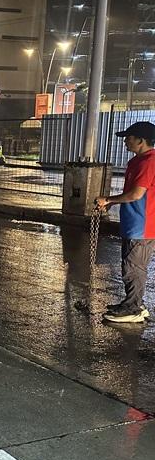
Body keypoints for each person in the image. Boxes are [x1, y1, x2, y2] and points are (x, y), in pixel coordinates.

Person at [96, 121, 155, 323]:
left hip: (143, 225)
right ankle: (132, 302)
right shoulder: (136, 162)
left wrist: (109, 199)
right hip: (133, 222)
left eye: (128, 138)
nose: (125, 142)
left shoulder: (149, 161)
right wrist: (112, 202)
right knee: (129, 265)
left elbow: (137, 194)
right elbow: (131, 193)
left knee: (133, 267)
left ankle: (134, 309)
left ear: (141, 140)